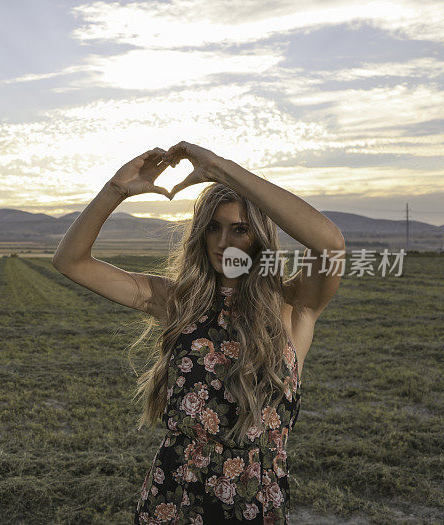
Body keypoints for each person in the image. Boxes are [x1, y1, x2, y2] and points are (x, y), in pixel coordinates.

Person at [51, 141, 345, 524]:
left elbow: (331, 244)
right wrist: (115, 190)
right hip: (174, 497)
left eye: (240, 229)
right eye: (214, 228)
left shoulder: (294, 307)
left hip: (255, 505)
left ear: (258, 237)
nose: (224, 243)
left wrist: (222, 169)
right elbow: (70, 262)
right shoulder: (178, 302)